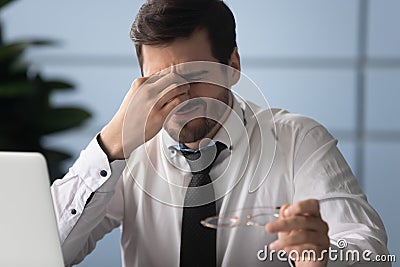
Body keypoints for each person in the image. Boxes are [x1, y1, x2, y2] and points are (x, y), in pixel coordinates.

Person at [51, 0, 390, 266]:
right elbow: (47, 253)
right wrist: (111, 145)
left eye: (195, 75)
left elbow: (372, 254)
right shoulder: (125, 154)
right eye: (158, 82)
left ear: (233, 66)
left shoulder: (298, 141)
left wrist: (326, 256)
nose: (179, 98)